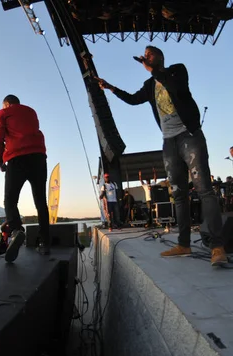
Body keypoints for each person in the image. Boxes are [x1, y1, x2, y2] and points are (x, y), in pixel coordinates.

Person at [96, 46, 228, 267]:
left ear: (160, 57)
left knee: (204, 188)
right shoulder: (149, 86)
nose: (145, 56)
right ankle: (183, 243)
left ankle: (217, 247)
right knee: (178, 193)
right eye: (145, 54)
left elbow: (177, 89)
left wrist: (152, 70)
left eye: (150, 53)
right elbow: (132, 99)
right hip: (169, 141)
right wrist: (110, 88)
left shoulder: (177, 71)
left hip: (189, 135)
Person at [0, 94, 50, 261]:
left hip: (16, 158)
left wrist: (0, 161)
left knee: (10, 200)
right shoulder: (31, 111)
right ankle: (45, 242)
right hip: (38, 157)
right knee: (40, 201)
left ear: (6, 104)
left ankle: (17, 230)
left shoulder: (3, 113)